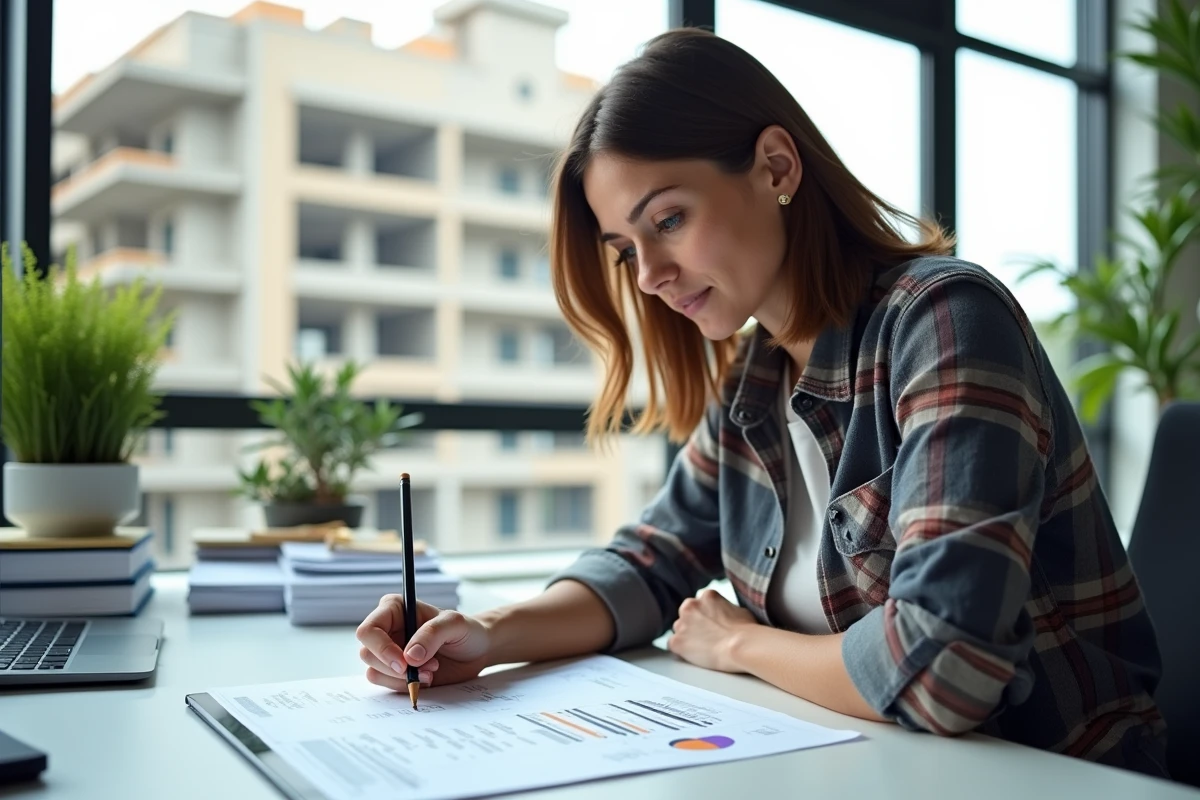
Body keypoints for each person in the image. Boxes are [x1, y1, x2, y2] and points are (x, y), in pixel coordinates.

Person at [357, 28, 1168, 777]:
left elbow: (941, 665)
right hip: (872, 765)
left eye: (668, 219)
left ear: (777, 168)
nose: (648, 276)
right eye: (625, 250)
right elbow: (652, 561)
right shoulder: (756, 376)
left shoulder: (945, 320)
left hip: (1058, 775)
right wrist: (487, 636)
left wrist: (742, 643)